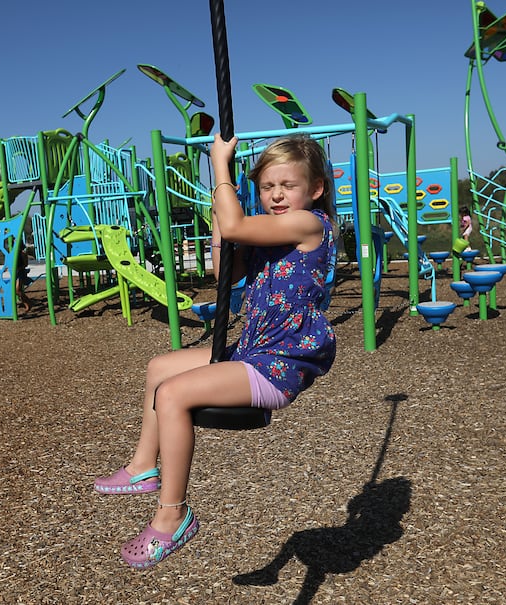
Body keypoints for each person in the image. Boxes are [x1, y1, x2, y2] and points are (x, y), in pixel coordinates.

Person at [94, 133, 338, 569]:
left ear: (316, 188)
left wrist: (218, 166)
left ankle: (173, 516)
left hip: (279, 363)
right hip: (253, 349)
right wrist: (219, 225)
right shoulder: (269, 235)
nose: (277, 195)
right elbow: (225, 265)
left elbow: (237, 226)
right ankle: (142, 467)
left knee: (172, 394)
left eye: (287, 185)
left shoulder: (310, 224)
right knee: (160, 368)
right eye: (267, 187)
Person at [16, 245, 33, 313]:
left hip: (21, 272)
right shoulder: (12, 253)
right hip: (16, 273)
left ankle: (28, 303)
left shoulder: (22, 253)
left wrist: (18, 268)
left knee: (18, 290)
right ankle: (27, 303)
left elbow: (25, 264)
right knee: (17, 291)